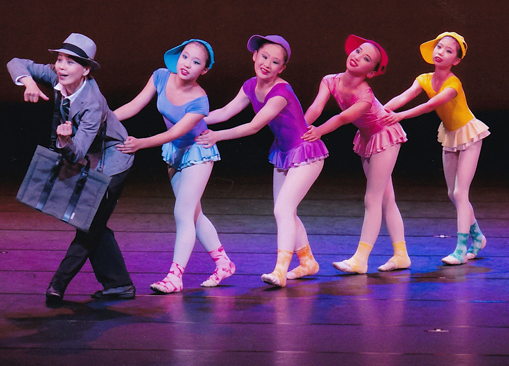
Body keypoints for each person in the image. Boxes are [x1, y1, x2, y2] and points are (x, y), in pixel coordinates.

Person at [7, 33, 136, 303]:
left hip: (113, 160)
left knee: (88, 224)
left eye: (70, 62)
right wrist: (29, 82)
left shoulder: (92, 103)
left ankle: (58, 284)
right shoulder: (57, 76)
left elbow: (76, 153)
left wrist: (65, 140)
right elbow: (16, 62)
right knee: (94, 223)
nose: (62, 66)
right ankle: (119, 284)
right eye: (60, 59)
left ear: (86, 70)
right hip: (91, 156)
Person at [196, 35, 328, 287]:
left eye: (275, 62)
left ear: (282, 68)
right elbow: (225, 112)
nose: (267, 64)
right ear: (255, 56)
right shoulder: (249, 85)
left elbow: (254, 126)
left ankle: (280, 270)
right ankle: (308, 262)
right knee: (286, 211)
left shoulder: (281, 92)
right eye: (264, 56)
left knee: (283, 210)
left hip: (305, 152)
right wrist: (193, 119)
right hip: (284, 152)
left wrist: (216, 136)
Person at [114, 39, 235, 294]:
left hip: (197, 152)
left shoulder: (200, 101)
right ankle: (223, 263)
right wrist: (105, 119)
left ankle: (175, 277)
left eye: (196, 62)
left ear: (204, 70)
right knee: (193, 214)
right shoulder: (160, 76)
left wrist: (140, 144)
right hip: (174, 152)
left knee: (183, 213)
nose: (187, 64)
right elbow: (135, 105)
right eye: (185, 56)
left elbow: (175, 132)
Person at [303, 35, 410, 274]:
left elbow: (342, 118)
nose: (357, 57)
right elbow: (316, 108)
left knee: (373, 199)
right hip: (368, 136)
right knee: (386, 198)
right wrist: (299, 130)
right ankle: (401, 255)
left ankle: (361, 259)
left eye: (366, 59)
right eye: (358, 51)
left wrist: (318, 131)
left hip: (384, 135)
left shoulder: (365, 96)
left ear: (371, 72)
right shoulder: (330, 80)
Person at [382, 32, 489, 265]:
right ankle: (478, 237)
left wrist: (400, 116)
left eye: (448, 51)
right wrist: (379, 112)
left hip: (469, 134)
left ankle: (461, 249)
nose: (441, 52)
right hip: (450, 135)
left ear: (456, 60)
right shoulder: (424, 78)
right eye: (439, 47)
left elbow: (430, 105)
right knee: (452, 193)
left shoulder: (453, 83)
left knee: (460, 193)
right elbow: (404, 97)